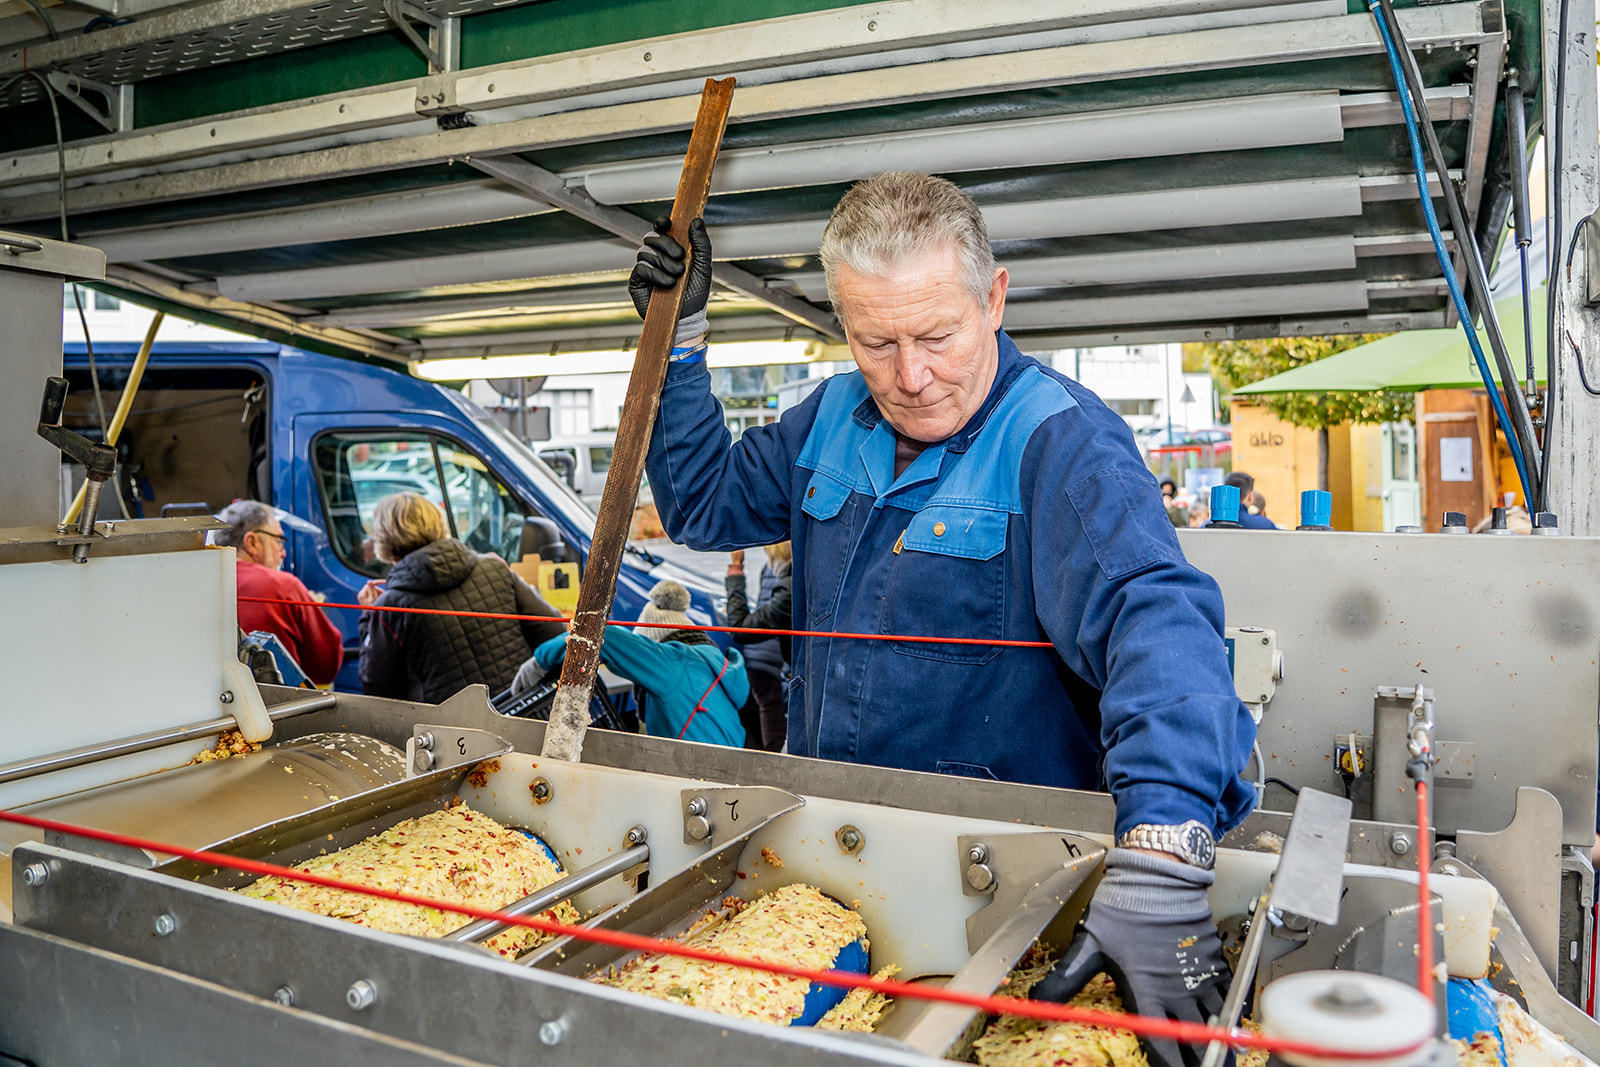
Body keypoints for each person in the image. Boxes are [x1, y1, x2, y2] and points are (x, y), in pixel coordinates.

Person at [631, 172, 1254, 1061]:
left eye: (935, 335)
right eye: (875, 341)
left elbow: (1158, 619)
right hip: (832, 870)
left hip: (1002, 899)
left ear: (994, 299)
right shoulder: (829, 421)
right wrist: (677, 340)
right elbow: (700, 503)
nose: (910, 377)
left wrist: (1161, 849)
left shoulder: (1059, 442)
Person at [357, 492, 564, 703]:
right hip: (524, 712)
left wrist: (368, 616)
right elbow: (554, 630)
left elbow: (377, 690)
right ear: (439, 523)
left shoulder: (388, 607)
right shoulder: (494, 568)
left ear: (384, 540)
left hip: (451, 732)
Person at [515, 580, 746, 746]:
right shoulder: (709, 658)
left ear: (653, 642)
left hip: (696, 773)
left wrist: (539, 661)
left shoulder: (671, 663)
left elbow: (606, 637)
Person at [216, 499, 344, 686]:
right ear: (251, 542)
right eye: (278, 540)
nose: (283, 553)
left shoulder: (195, 582)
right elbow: (325, 667)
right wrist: (313, 608)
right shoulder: (284, 586)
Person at [725, 542, 794, 751]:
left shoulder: (772, 568)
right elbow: (744, 627)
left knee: (772, 731)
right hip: (773, 662)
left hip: (760, 660)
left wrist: (736, 568)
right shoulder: (796, 577)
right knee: (777, 736)